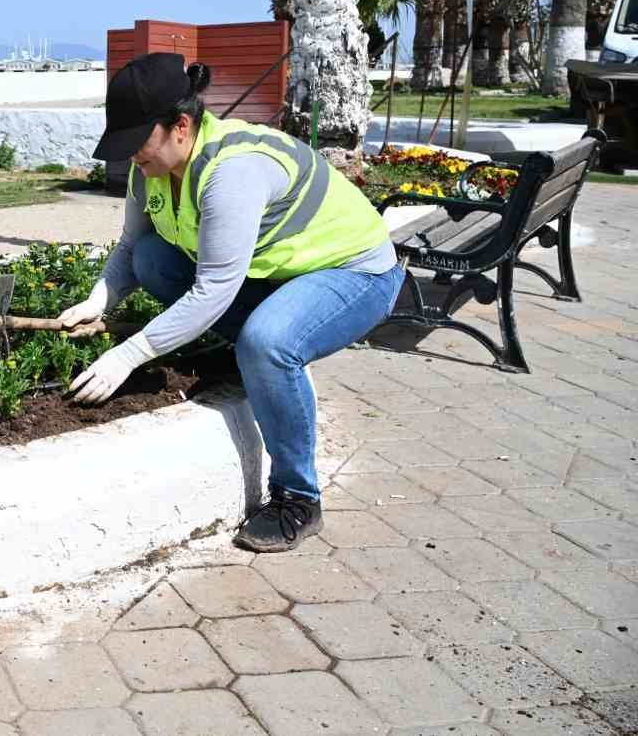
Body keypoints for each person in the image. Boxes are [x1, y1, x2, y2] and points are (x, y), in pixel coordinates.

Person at [60, 53, 402, 552]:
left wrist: (128, 354)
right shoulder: (151, 168)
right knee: (154, 260)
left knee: (268, 344)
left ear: (180, 126)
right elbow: (134, 248)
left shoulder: (232, 171)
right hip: (279, 277)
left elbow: (214, 289)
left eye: (138, 142)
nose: (132, 156)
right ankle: (245, 363)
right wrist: (100, 297)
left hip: (353, 273)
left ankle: (297, 499)